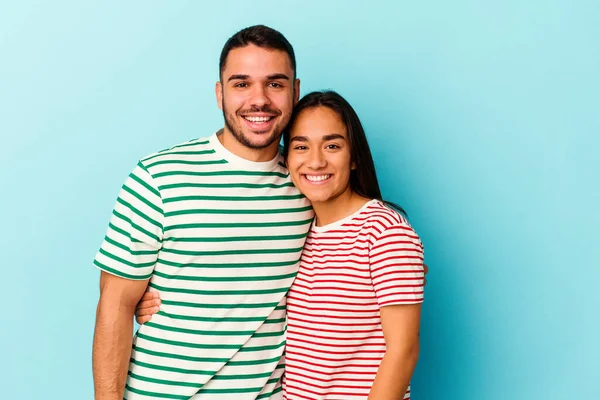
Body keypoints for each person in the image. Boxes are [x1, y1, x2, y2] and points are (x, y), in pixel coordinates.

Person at [137, 90, 425, 399]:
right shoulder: (302, 230)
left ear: (354, 157)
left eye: (332, 145)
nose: (316, 161)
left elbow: (403, 350)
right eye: (301, 146)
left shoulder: (385, 232)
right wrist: (161, 304)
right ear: (286, 159)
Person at [92, 25, 312, 400]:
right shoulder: (158, 177)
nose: (259, 100)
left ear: (295, 91)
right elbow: (115, 305)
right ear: (219, 93)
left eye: (275, 84)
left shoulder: (309, 185)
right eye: (241, 84)